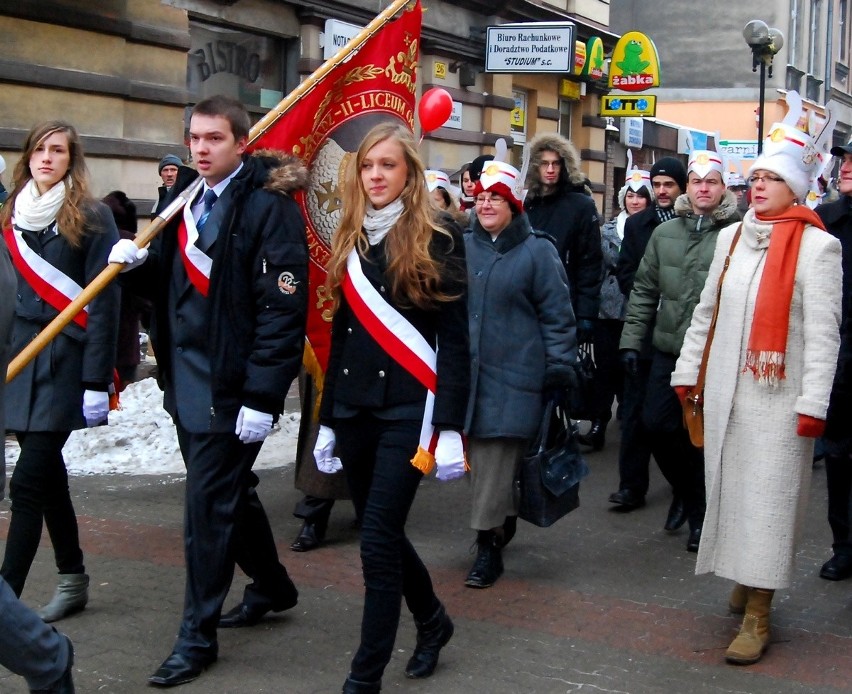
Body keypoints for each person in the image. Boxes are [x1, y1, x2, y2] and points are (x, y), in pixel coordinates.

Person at [108, 95, 309, 687]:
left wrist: (262, 396)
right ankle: (273, 585)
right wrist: (132, 265)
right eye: (194, 138)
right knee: (227, 494)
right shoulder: (182, 200)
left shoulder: (270, 207)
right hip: (185, 379)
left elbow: (281, 311)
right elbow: (169, 279)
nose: (200, 148)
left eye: (214, 138)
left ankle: (196, 638)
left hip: (232, 385)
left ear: (240, 142)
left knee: (205, 508)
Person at [671, 115, 841, 665]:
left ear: (795, 187)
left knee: (768, 500)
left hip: (780, 400)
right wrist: (687, 369)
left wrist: (814, 403)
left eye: (771, 178)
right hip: (725, 391)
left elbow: (823, 336)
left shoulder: (819, 248)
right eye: (756, 177)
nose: (758, 186)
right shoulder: (731, 237)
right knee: (731, 489)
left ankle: (759, 612)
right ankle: (747, 579)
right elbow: (706, 311)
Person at [315, 122, 469, 694]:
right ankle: (432, 621)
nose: (375, 176)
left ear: (409, 173)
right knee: (382, 532)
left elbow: (455, 341)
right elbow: (344, 336)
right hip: (355, 407)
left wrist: (450, 426)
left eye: (388, 166)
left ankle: (365, 677)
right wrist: (328, 418)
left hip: (410, 409)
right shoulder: (351, 237)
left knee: (376, 540)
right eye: (367, 166)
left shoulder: (439, 237)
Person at [0, 121, 120, 623]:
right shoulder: (10, 215)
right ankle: (72, 578)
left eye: (59, 151)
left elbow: (105, 302)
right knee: (47, 479)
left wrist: (97, 380)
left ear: (73, 159)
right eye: (40, 150)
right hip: (19, 360)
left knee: (26, 483)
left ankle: (5, 602)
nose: (48, 158)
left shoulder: (92, 217)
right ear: (28, 156)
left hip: (65, 361)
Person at [464, 159, 577, 589]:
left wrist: (560, 367)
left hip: (515, 380)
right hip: (467, 381)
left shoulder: (537, 251)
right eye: (481, 197)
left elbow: (557, 316)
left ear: (514, 204)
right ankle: (501, 520)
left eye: (497, 197)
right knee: (480, 470)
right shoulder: (461, 245)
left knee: (492, 466)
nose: (487, 204)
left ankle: (487, 548)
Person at [620, 150, 740, 552]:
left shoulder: (738, 233)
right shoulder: (664, 234)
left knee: (700, 437)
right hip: (668, 350)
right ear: (688, 187)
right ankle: (689, 493)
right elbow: (642, 291)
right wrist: (631, 342)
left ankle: (702, 510)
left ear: (723, 188)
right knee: (655, 426)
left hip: (715, 356)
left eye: (712, 181)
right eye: (697, 181)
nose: (703, 188)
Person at [0, 238, 75, 693]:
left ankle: (47, 656)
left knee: (34, 484)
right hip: (26, 384)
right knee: (46, 487)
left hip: (56, 370)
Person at [608, 156, 687, 518]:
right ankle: (631, 485)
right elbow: (626, 271)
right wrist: (645, 293)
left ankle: (685, 485)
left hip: (682, 333)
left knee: (677, 416)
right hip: (644, 329)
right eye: (657, 185)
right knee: (637, 412)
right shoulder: (640, 225)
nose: (661, 192)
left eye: (668, 184)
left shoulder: (691, 224)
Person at [577, 167, 652, 451]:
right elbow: (595, 268)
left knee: (630, 369)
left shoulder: (654, 228)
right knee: (604, 368)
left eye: (640, 196)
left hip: (637, 308)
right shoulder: (607, 230)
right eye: (630, 195)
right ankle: (598, 423)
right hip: (608, 308)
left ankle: (630, 421)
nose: (634, 201)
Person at [523, 132, 602, 345]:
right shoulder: (523, 204)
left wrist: (586, 314)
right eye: (544, 163)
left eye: (556, 164)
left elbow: (590, 263)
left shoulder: (580, 205)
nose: (550, 170)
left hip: (566, 303)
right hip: (525, 302)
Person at [816, 140, 852, 581]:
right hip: (837, 356)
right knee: (839, 457)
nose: (846, 167)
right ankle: (844, 544)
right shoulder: (826, 221)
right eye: (846, 159)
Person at [102, 190, 148, 389]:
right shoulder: (135, 242)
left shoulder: (97, 240)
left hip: (97, 337)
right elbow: (145, 297)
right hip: (127, 338)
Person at [151, 154, 183, 218]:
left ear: (180, 173)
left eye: (173, 170)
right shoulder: (160, 198)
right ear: (161, 174)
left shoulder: (186, 195)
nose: (169, 174)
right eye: (165, 170)